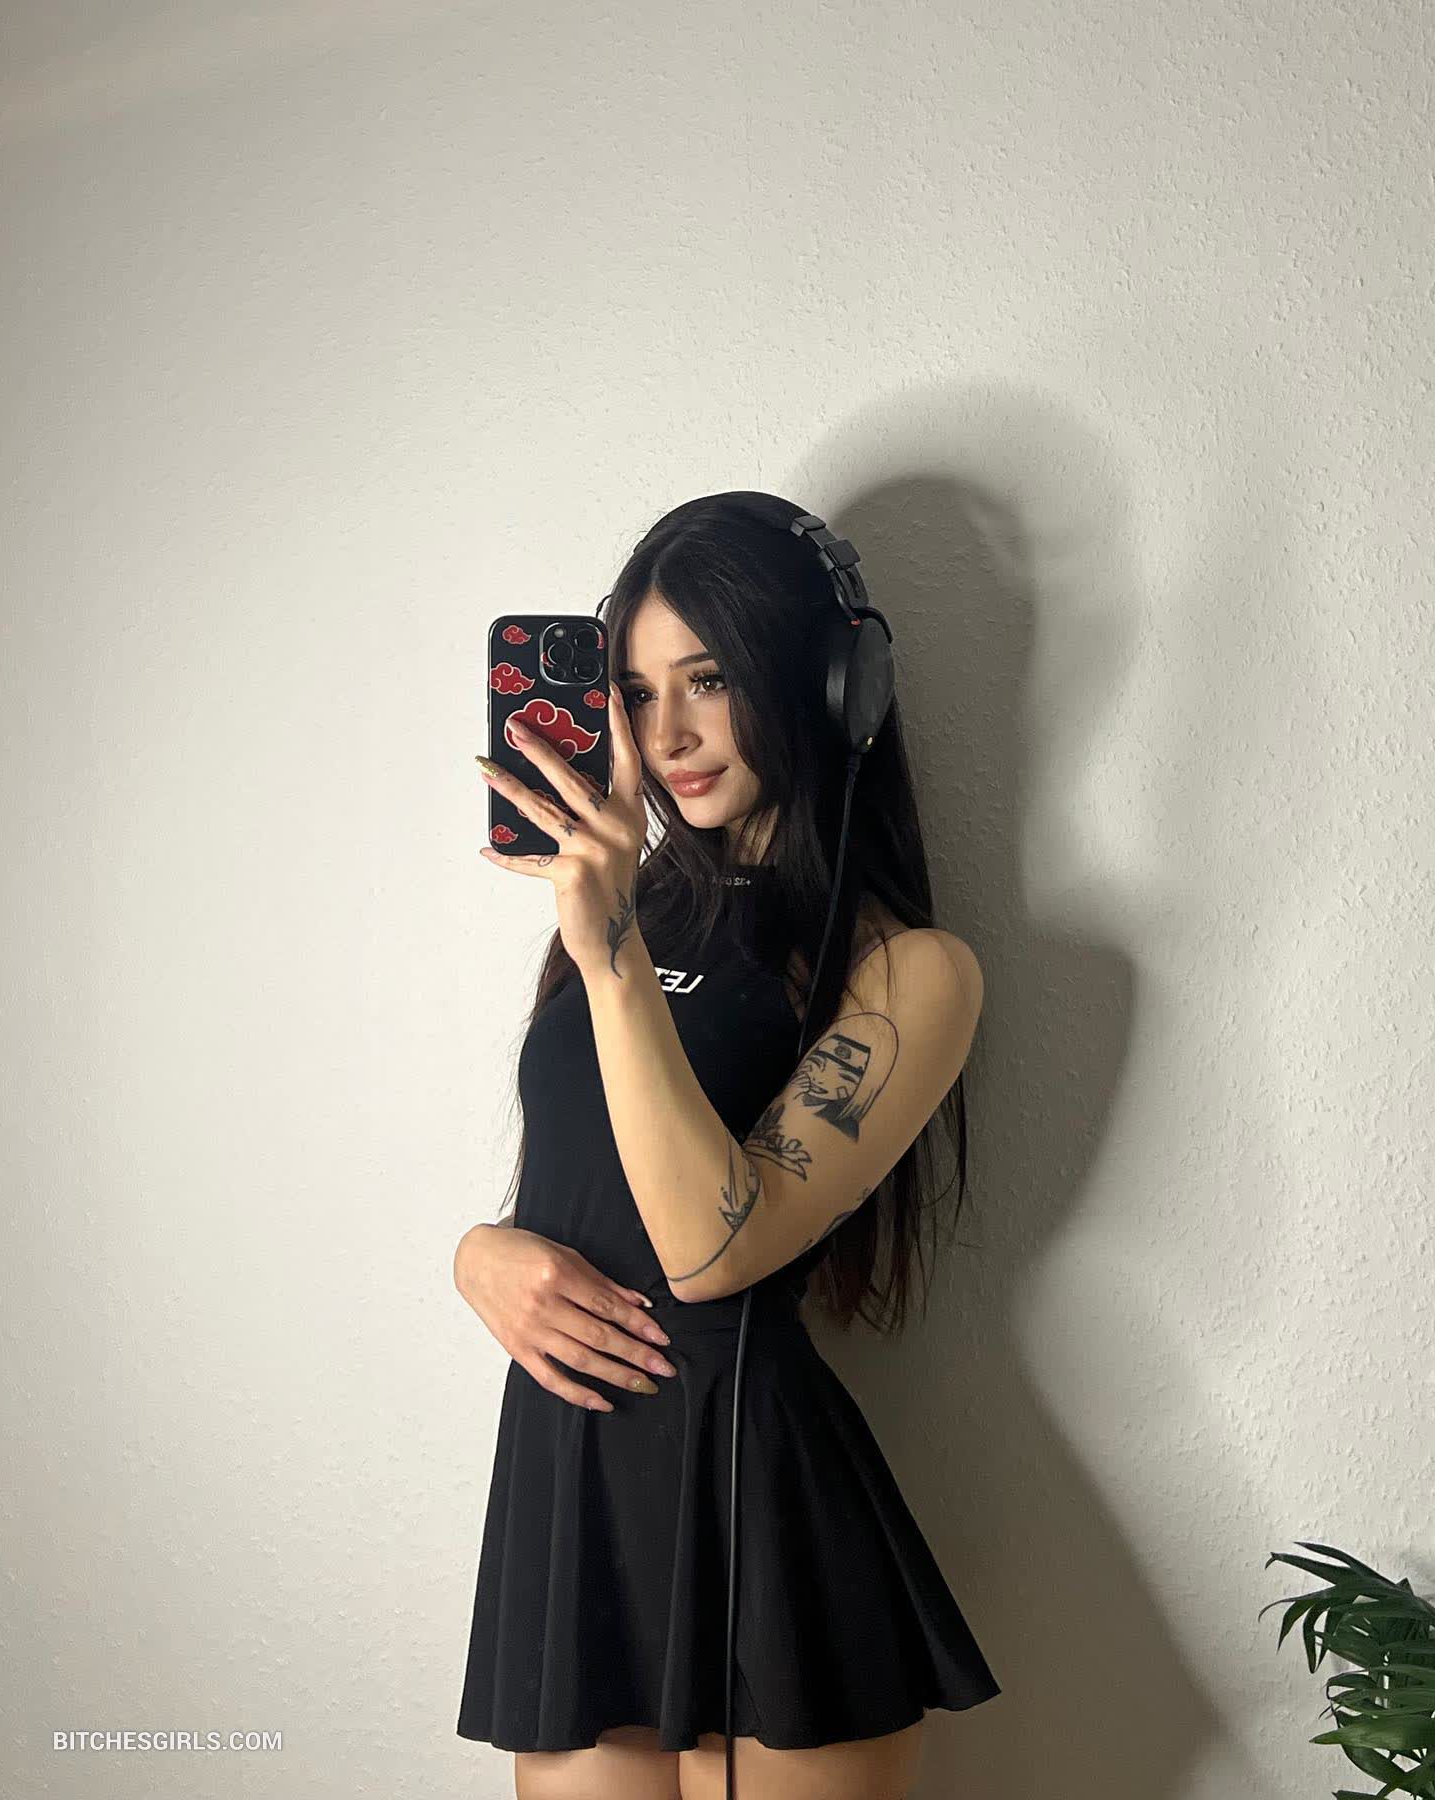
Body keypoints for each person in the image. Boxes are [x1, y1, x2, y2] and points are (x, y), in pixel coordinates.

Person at [452, 495, 1001, 1800]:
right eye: (639, 693)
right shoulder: (621, 913)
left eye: (708, 679)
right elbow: (587, 1181)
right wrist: (478, 1255)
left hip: (759, 1502)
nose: (670, 736)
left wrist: (608, 951)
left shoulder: (908, 971)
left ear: (829, 684)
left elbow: (708, 1250)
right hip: (574, 1488)